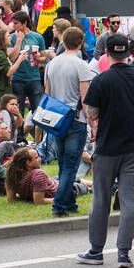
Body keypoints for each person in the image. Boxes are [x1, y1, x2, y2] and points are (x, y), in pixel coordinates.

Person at [78, 34, 134, 268]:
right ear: (128, 53)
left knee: (101, 199)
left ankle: (96, 250)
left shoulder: (101, 80)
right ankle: (123, 254)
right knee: (130, 202)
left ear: (108, 54)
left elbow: (91, 113)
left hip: (108, 147)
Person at [44, 26, 95, 217]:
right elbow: (85, 99)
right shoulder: (81, 65)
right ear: (81, 42)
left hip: (56, 118)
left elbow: (47, 93)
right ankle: (59, 204)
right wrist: (93, 123)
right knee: (71, 165)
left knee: (64, 161)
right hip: (75, 118)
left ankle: (68, 202)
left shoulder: (52, 64)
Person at [7, 11, 47, 117]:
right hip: (17, 78)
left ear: (24, 23)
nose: (13, 26)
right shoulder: (12, 38)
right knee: (17, 111)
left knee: (37, 110)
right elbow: (12, 58)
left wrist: (39, 58)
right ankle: (19, 133)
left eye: (16, 23)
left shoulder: (37, 37)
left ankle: (36, 133)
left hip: (34, 78)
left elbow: (44, 58)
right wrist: (19, 41)